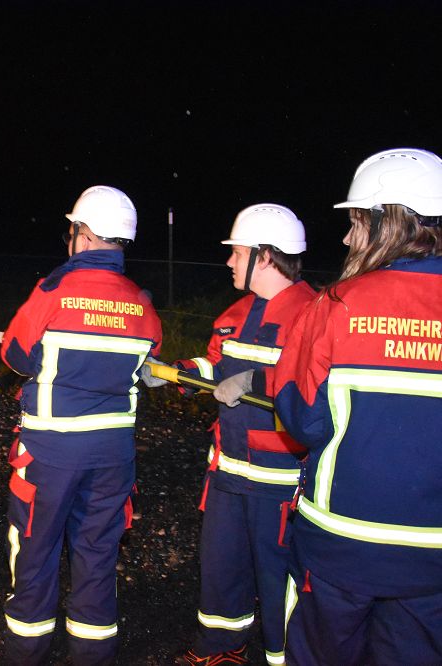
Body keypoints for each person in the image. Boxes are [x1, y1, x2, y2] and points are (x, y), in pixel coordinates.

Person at [273, 148, 442, 665]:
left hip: (340, 542)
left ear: (386, 221)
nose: (347, 239)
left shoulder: (337, 304)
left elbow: (299, 417)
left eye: (355, 223)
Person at [143, 204, 315, 666]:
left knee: (280, 581)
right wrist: (174, 371)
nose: (229, 262)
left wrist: (257, 381)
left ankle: (285, 658)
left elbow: (316, 386)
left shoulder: (313, 315)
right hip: (228, 472)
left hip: (282, 482)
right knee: (221, 568)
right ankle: (221, 651)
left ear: (265, 256)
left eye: (237, 253)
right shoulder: (234, 315)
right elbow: (216, 366)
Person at [0, 185, 163, 665]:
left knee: (35, 555)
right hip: (113, 458)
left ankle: (27, 653)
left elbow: (15, 356)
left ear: (84, 234)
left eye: (72, 231)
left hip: (50, 456)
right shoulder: (141, 303)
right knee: (97, 558)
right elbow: (147, 364)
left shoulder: (53, 290)